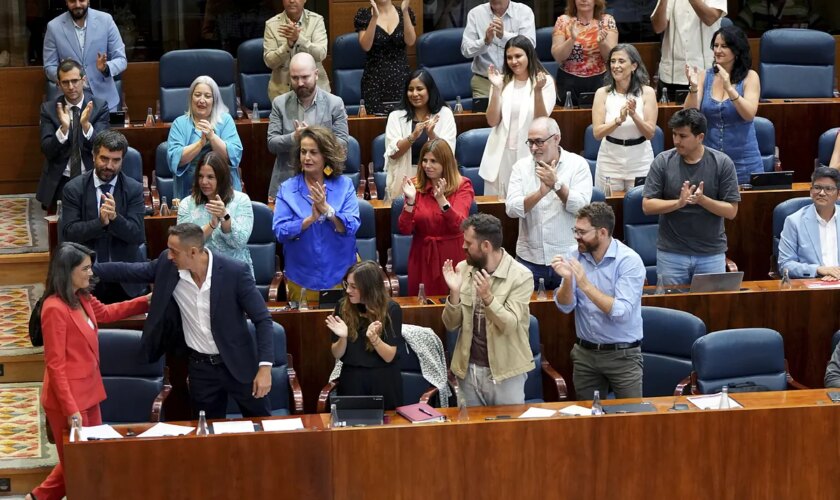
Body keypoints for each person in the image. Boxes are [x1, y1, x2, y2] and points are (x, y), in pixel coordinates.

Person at [92, 223, 274, 419]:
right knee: (206, 432)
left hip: (239, 363)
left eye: (174, 251)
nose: (169, 255)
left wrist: (265, 368)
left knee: (262, 425)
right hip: (201, 369)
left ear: (193, 252)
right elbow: (130, 271)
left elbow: (262, 319)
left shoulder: (235, 272)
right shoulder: (168, 266)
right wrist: (88, 269)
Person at [29, 242, 149, 500]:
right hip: (67, 400)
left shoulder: (81, 296)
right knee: (78, 464)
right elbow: (55, 364)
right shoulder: (53, 308)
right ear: (67, 271)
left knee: (89, 458)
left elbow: (107, 313)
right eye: (85, 269)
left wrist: (145, 301)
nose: (90, 274)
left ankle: (35, 498)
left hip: (90, 392)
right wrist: (71, 409)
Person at [552, 202, 645, 400]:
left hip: (623, 356)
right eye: (575, 230)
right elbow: (565, 306)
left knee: (630, 420)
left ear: (602, 232)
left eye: (582, 232)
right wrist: (568, 281)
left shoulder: (629, 261)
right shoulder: (574, 255)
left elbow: (622, 312)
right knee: (588, 424)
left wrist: (585, 285)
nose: (576, 236)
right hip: (585, 354)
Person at [441, 213, 534, 406]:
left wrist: (488, 298)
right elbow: (450, 325)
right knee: (471, 435)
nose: (463, 246)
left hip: (505, 373)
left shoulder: (521, 276)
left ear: (485, 246)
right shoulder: (464, 269)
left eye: (468, 243)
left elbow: (510, 325)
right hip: (469, 371)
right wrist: (455, 293)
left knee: (508, 434)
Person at [642, 108, 740, 285]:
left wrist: (703, 201)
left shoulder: (722, 163)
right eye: (674, 135)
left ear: (700, 137)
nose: (676, 141)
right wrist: (678, 203)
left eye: (683, 136)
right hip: (671, 254)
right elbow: (647, 205)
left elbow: (731, 211)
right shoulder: (663, 161)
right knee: (671, 311)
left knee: (711, 309)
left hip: (710, 253)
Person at [272, 126, 360, 306]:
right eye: (303, 152)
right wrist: (308, 220)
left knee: (343, 327)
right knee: (307, 329)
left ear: (326, 155)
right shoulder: (287, 189)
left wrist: (327, 210)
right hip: (302, 274)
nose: (307, 157)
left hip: (341, 271)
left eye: (313, 152)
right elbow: (280, 232)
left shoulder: (345, 185)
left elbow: (352, 226)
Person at [59, 130, 146, 304]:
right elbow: (69, 233)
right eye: (104, 158)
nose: (109, 166)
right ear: (93, 156)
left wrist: (115, 218)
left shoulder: (134, 189)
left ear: (123, 160)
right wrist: (100, 223)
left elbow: (137, 235)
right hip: (86, 277)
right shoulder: (74, 189)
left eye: (116, 160)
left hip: (125, 278)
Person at [505, 117, 592, 291]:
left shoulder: (577, 165)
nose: (534, 148)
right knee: (529, 316)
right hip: (529, 261)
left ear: (556, 138)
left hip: (567, 258)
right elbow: (511, 209)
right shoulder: (520, 168)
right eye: (530, 143)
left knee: (568, 315)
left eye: (539, 142)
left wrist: (557, 186)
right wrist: (540, 193)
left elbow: (582, 207)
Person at [684, 25, 762, 185]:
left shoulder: (750, 77)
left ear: (737, 50)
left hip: (744, 162)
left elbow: (749, 114)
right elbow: (689, 114)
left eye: (724, 46)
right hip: (709, 160)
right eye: (716, 46)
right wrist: (693, 88)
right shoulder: (705, 76)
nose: (718, 50)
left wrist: (729, 89)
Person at [480, 35, 555, 198]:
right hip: (500, 155)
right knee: (497, 209)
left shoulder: (544, 81)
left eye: (518, 56)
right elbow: (492, 121)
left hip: (529, 152)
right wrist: (497, 89)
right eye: (509, 57)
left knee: (525, 204)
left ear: (529, 55)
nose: (513, 61)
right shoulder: (501, 81)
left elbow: (541, 123)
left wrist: (537, 92)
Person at [267, 52, 349, 199]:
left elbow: (342, 143)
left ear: (316, 74)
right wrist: (294, 137)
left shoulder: (334, 103)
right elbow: (272, 144)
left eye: (305, 77)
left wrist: (315, 141)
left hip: (325, 180)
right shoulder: (279, 104)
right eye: (295, 78)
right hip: (287, 180)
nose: (300, 83)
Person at [398, 139, 474, 296]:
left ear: (445, 163)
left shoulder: (463, 185)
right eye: (424, 160)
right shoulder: (415, 185)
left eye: (433, 161)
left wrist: (442, 200)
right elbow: (405, 229)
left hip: (452, 254)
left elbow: (459, 224)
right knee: (421, 306)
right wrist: (410, 202)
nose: (427, 165)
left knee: (453, 304)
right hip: (422, 256)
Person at [326, 260, 404, 409]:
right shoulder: (342, 307)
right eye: (347, 285)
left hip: (383, 380)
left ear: (369, 288)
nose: (348, 290)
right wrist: (343, 336)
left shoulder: (391, 309)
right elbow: (337, 353)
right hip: (352, 379)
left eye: (354, 287)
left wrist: (375, 339)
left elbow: (389, 357)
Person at [36, 58, 110, 211]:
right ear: (58, 84)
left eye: (75, 81)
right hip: (61, 180)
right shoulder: (49, 110)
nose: (71, 87)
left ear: (83, 80)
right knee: (60, 230)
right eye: (65, 82)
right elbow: (47, 150)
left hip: (92, 177)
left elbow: (104, 147)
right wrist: (63, 129)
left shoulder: (98, 107)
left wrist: (86, 125)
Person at [591, 44, 658, 192]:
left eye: (621, 61)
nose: (616, 66)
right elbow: (597, 133)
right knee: (607, 208)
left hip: (640, 160)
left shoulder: (647, 93)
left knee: (639, 206)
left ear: (634, 66)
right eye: (613, 61)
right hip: (610, 160)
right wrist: (618, 121)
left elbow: (650, 133)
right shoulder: (602, 93)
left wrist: (634, 115)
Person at [177, 152, 254, 276]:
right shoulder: (186, 204)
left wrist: (225, 217)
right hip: (199, 273)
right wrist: (211, 225)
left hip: (235, 273)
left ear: (221, 177)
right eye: (201, 176)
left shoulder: (241, 201)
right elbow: (184, 243)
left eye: (210, 177)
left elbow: (239, 242)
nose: (204, 181)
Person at [384, 69, 457, 200]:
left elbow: (448, 154)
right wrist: (413, 136)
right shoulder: (396, 116)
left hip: (437, 180)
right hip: (405, 178)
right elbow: (393, 154)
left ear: (429, 90)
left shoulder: (445, 114)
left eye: (419, 89)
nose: (415, 94)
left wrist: (432, 135)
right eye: (410, 89)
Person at [167, 75, 243, 200]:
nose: (202, 100)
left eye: (207, 96)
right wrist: (200, 143)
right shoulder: (179, 123)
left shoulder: (225, 121)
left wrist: (212, 137)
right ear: (191, 98)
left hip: (224, 189)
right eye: (197, 95)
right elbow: (175, 159)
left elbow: (233, 156)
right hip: (189, 191)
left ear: (215, 100)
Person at [43, 0, 127, 111]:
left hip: (105, 102)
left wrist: (105, 67)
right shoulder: (54, 27)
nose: (77, 5)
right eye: (73, 1)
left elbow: (121, 59)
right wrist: (64, 74)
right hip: (69, 102)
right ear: (66, 2)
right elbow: (49, 66)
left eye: (81, 0)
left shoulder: (106, 21)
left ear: (88, 0)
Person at [651, 0, 726, 101]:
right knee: (671, 116)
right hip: (671, 74)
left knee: (703, 116)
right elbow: (658, 27)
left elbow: (710, 18)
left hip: (704, 74)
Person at [460, 0, 536, 98]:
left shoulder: (524, 11)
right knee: (484, 113)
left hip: (517, 80)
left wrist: (504, 36)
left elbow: (530, 45)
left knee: (517, 113)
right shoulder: (475, 13)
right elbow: (466, 50)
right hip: (485, 82)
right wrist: (485, 41)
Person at [550, 0, 618, 107]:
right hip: (569, 81)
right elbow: (558, 57)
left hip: (600, 80)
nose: (584, 0)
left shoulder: (606, 21)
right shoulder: (563, 21)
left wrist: (602, 43)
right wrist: (572, 39)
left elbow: (612, 58)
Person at [354, 0, 417, 116]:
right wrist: (374, 18)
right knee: (375, 123)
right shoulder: (364, 14)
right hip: (374, 81)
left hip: (402, 77)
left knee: (403, 121)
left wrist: (405, 12)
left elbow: (411, 41)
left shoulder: (404, 12)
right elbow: (366, 46)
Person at [778, 167, 840, 280]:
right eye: (817, 188)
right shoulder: (794, 221)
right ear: (811, 192)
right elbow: (785, 265)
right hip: (812, 286)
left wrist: (836, 274)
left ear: (838, 194)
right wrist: (817, 270)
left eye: (828, 189)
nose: (822, 193)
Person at [263, 0, 330, 102]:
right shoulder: (272, 25)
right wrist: (288, 45)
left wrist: (299, 39)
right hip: (282, 93)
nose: (292, 1)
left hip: (316, 91)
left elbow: (321, 54)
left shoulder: (316, 20)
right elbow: (270, 62)